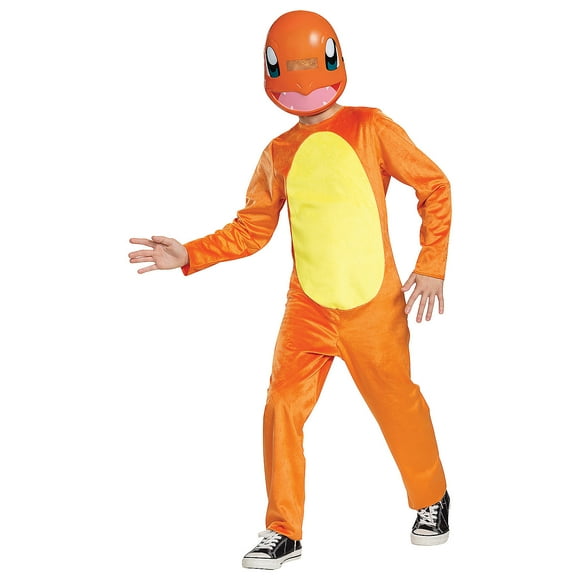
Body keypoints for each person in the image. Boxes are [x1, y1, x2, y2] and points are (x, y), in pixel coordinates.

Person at [129, 10, 452, 570]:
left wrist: (432, 264)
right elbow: (252, 228)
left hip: (372, 306)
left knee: (397, 404)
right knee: (281, 406)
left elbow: (434, 185)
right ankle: (284, 530)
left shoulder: (371, 127)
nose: (303, 86)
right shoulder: (277, 153)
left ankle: (432, 499)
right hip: (308, 308)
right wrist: (191, 254)